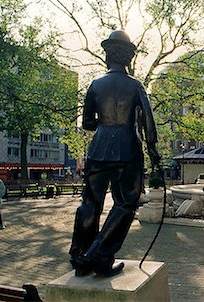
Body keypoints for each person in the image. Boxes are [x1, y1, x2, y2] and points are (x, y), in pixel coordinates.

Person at [69, 30, 160, 277]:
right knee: (125, 204)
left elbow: (87, 122)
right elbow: (149, 123)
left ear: (108, 55)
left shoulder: (96, 85)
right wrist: (153, 150)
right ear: (128, 58)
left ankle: (79, 257)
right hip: (127, 149)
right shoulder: (135, 86)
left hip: (98, 148)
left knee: (89, 203)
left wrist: (103, 123)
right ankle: (99, 255)